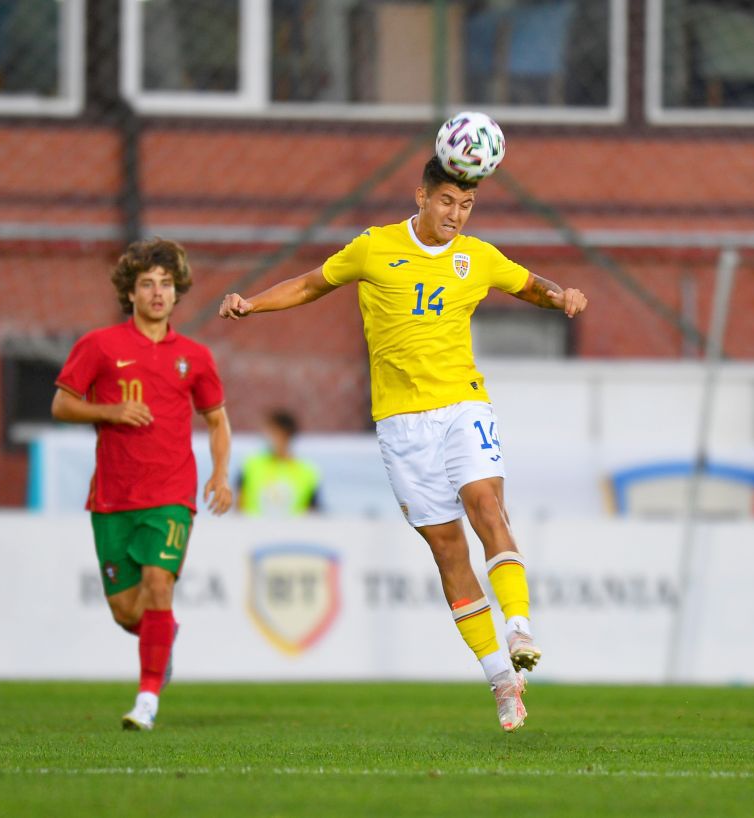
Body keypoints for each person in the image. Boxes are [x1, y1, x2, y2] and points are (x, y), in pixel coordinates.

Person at [217, 156, 588, 732]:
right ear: (421, 196)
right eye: (447, 202)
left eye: (466, 206)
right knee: (447, 550)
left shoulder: (478, 257)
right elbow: (314, 283)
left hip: (463, 403)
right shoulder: (374, 248)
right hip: (399, 422)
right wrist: (252, 303)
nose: (456, 215)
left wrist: (563, 295)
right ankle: (500, 681)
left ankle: (519, 627)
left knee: (487, 505)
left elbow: (527, 285)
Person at [52, 238, 233, 731]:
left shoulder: (194, 356)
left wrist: (219, 474)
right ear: (129, 293)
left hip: (172, 494)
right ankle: (162, 635)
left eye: (166, 284)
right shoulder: (99, 346)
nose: (158, 292)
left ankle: (147, 701)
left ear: (178, 294)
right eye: (147, 284)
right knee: (127, 612)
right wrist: (109, 410)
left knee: (160, 584)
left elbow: (217, 421)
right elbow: (62, 405)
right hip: (112, 498)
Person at [237, 409, 322, 516]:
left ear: (285, 434)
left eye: (272, 432)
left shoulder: (307, 472)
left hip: (293, 531)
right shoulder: (250, 465)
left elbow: (313, 512)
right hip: (254, 530)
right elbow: (239, 505)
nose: (267, 437)